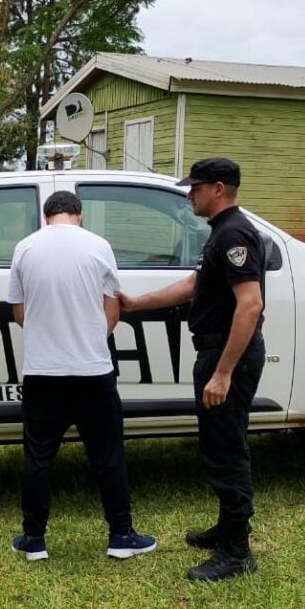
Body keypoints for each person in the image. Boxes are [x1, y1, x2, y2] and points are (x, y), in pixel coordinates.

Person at [118, 157, 265, 582]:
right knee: (218, 444)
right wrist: (135, 303)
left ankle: (237, 552)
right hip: (216, 352)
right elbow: (194, 285)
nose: (189, 195)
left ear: (218, 189)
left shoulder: (235, 233)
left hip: (226, 356)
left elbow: (249, 303)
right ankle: (227, 528)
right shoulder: (221, 233)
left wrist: (223, 373)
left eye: (196, 188)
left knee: (227, 450)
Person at [7, 190, 156, 561]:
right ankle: (121, 534)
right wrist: (89, 337)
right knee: (107, 455)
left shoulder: (24, 248)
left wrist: (49, 334)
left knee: (38, 458)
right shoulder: (99, 246)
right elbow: (112, 310)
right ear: (79, 215)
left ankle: (34, 540)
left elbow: (19, 314)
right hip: (93, 369)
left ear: (46, 216)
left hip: (43, 371)